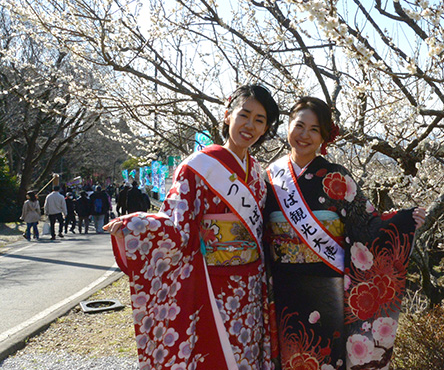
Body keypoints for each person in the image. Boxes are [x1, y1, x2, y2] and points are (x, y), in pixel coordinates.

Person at [105, 85, 280, 369]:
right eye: (244, 115)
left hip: (250, 286)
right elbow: (177, 223)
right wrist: (137, 226)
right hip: (211, 282)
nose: (250, 125)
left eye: (259, 120)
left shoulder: (259, 174)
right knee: (213, 352)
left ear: (265, 129)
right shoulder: (198, 166)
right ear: (227, 116)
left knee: (246, 354)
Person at [265, 97, 426, 370]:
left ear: (325, 137)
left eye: (314, 130)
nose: (304, 135)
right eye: (299, 125)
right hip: (284, 289)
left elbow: (366, 225)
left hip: (328, 290)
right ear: (288, 125)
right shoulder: (269, 177)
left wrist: (401, 222)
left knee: (326, 356)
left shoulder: (336, 176)